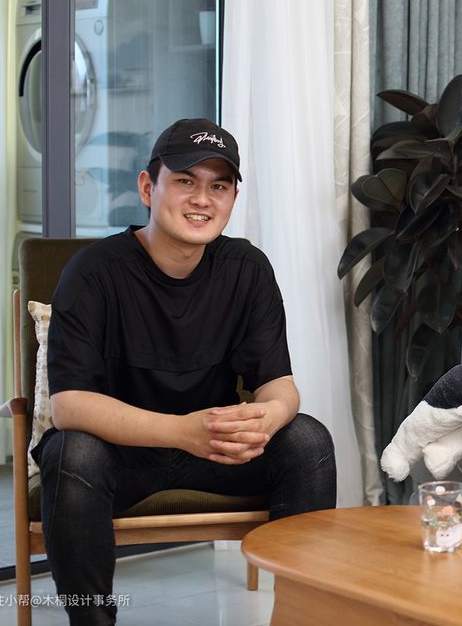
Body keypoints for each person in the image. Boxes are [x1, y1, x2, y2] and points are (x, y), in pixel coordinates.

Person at [34, 118, 337, 625]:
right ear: (147, 188)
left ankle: (301, 616)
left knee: (306, 438)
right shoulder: (94, 272)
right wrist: (181, 431)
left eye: (219, 186)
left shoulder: (247, 268)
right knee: (71, 452)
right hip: (121, 455)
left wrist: (267, 417)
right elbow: (69, 405)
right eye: (185, 181)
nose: (202, 199)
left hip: (214, 453)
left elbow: (279, 385)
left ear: (233, 197)